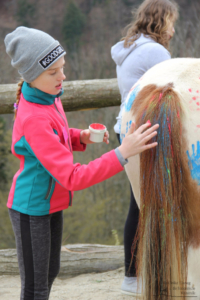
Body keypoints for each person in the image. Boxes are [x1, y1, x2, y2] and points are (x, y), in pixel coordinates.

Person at [4, 26, 159, 300]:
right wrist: (122, 153)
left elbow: (53, 139)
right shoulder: (35, 117)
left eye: (62, 68)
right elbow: (73, 177)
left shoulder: (48, 98)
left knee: (50, 275)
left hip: (50, 203)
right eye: (53, 72)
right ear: (31, 75)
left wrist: (81, 136)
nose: (62, 76)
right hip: (31, 210)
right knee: (35, 288)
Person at [111, 0, 178, 296]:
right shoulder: (155, 51)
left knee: (139, 204)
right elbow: (173, 89)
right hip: (146, 133)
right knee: (153, 205)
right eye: (172, 22)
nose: (174, 30)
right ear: (161, 21)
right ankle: (147, 275)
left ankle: (134, 275)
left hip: (126, 130)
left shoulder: (131, 47)